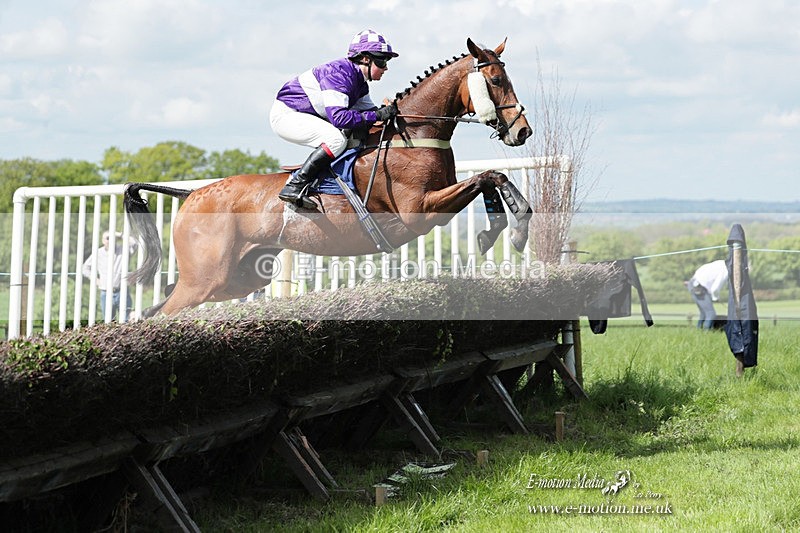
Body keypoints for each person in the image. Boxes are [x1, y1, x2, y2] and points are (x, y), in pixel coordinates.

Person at [269, 29, 399, 209]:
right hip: (287, 116)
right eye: (382, 60)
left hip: (303, 114)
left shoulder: (359, 82)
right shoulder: (339, 75)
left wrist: (386, 112)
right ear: (365, 59)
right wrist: (376, 115)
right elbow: (339, 118)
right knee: (336, 139)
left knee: (349, 135)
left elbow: (371, 115)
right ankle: (295, 185)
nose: (386, 67)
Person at [82, 231, 138, 321]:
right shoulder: (98, 253)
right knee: (109, 322)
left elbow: (135, 243)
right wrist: (95, 279)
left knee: (126, 320)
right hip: (106, 293)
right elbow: (85, 268)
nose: (110, 240)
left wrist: (118, 234)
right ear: (103, 240)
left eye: (112, 238)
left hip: (122, 291)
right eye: (108, 238)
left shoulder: (123, 250)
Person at [687, 259, 729, 330]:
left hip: (693, 283)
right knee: (711, 314)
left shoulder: (721, 262)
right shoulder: (725, 271)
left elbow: (703, 268)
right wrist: (715, 298)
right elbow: (715, 288)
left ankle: (698, 331)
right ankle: (706, 333)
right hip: (699, 288)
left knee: (703, 313)